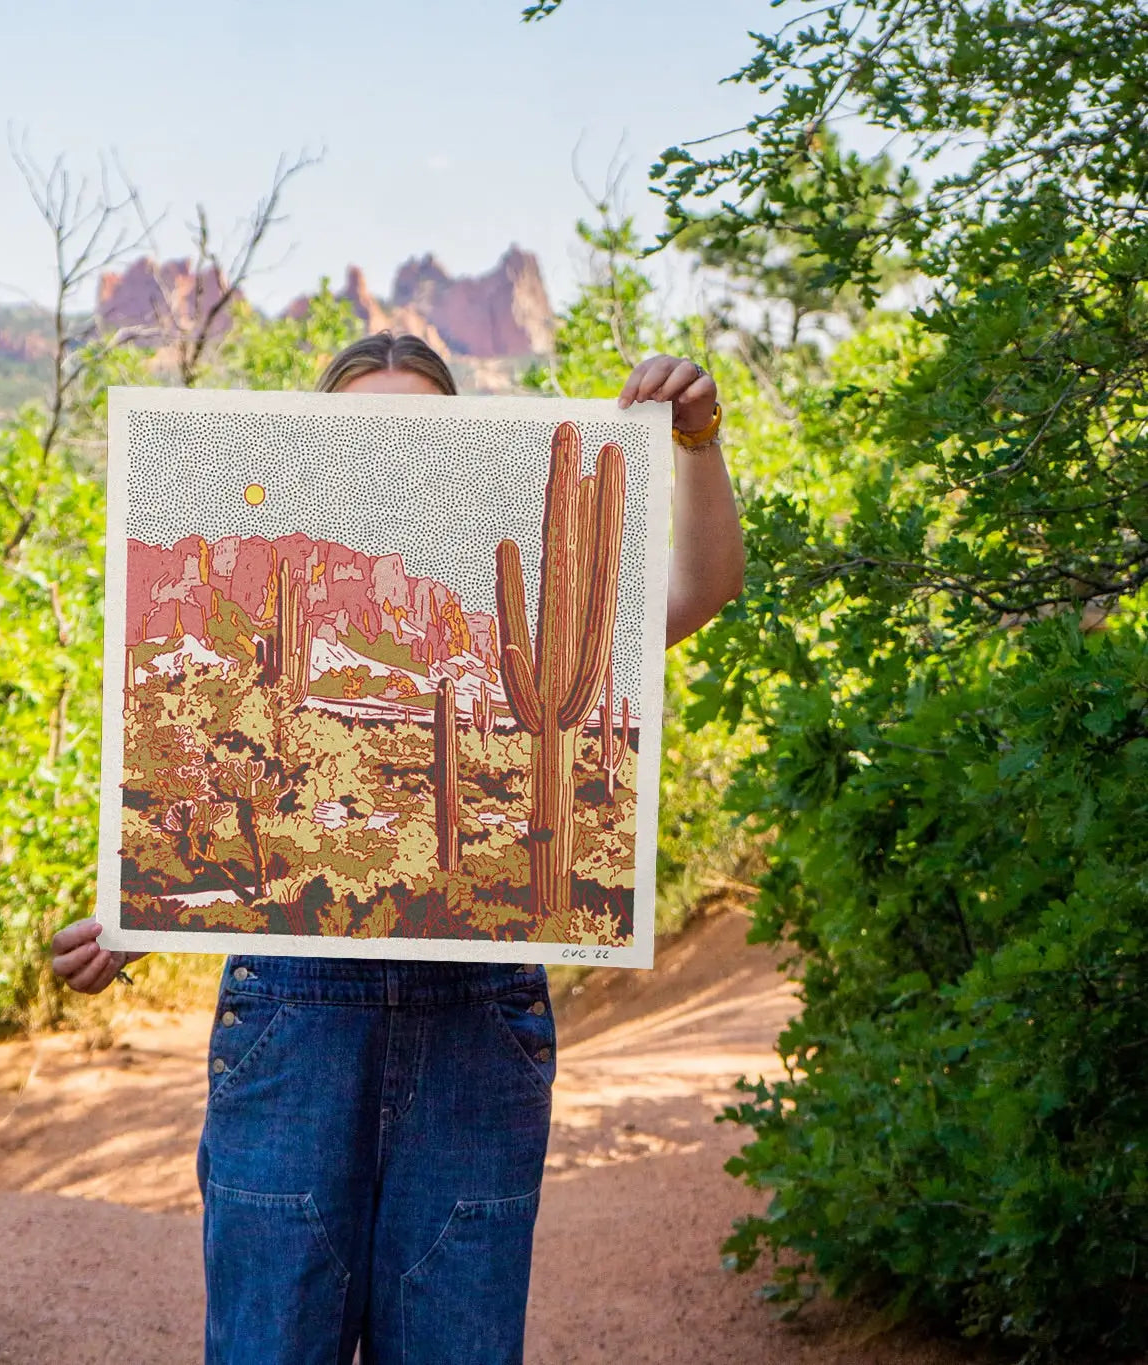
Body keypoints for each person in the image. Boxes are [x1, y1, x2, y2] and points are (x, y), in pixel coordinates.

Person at [51, 332, 744, 1365]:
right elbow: (232, 790)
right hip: (291, 1019)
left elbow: (704, 588)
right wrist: (152, 905)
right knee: (269, 1344)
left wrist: (696, 445)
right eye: (361, 426)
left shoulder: (545, 593)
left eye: (417, 425)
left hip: (481, 1020)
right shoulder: (256, 588)